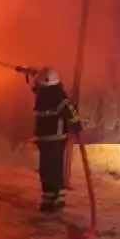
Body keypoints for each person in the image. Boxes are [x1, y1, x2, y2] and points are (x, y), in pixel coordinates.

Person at [29, 66, 83, 213]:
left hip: (55, 140)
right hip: (46, 140)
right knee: (48, 169)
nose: (36, 86)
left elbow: (70, 110)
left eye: (39, 83)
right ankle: (52, 198)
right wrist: (33, 73)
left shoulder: (57, 97)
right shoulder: (45, 95)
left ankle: (54, 199)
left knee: (52, 170)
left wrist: (76, 124)